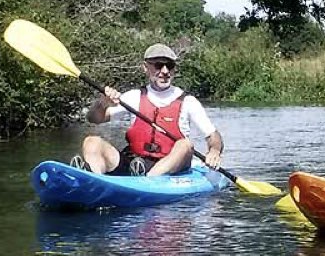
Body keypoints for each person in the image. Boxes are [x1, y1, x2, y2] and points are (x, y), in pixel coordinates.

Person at [76, 44, 225, 177]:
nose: (165, 71)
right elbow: (94, 118)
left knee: (185, 145)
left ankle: (148, 179)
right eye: (159, 65)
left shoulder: (188, 101)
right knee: (92, 142)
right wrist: (102, 104)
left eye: (170, 66)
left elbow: (213, 135)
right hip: (135, 163)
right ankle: (92, 179)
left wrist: (214, 151)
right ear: (145, 68)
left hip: (170, 165)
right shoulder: (133, 97)